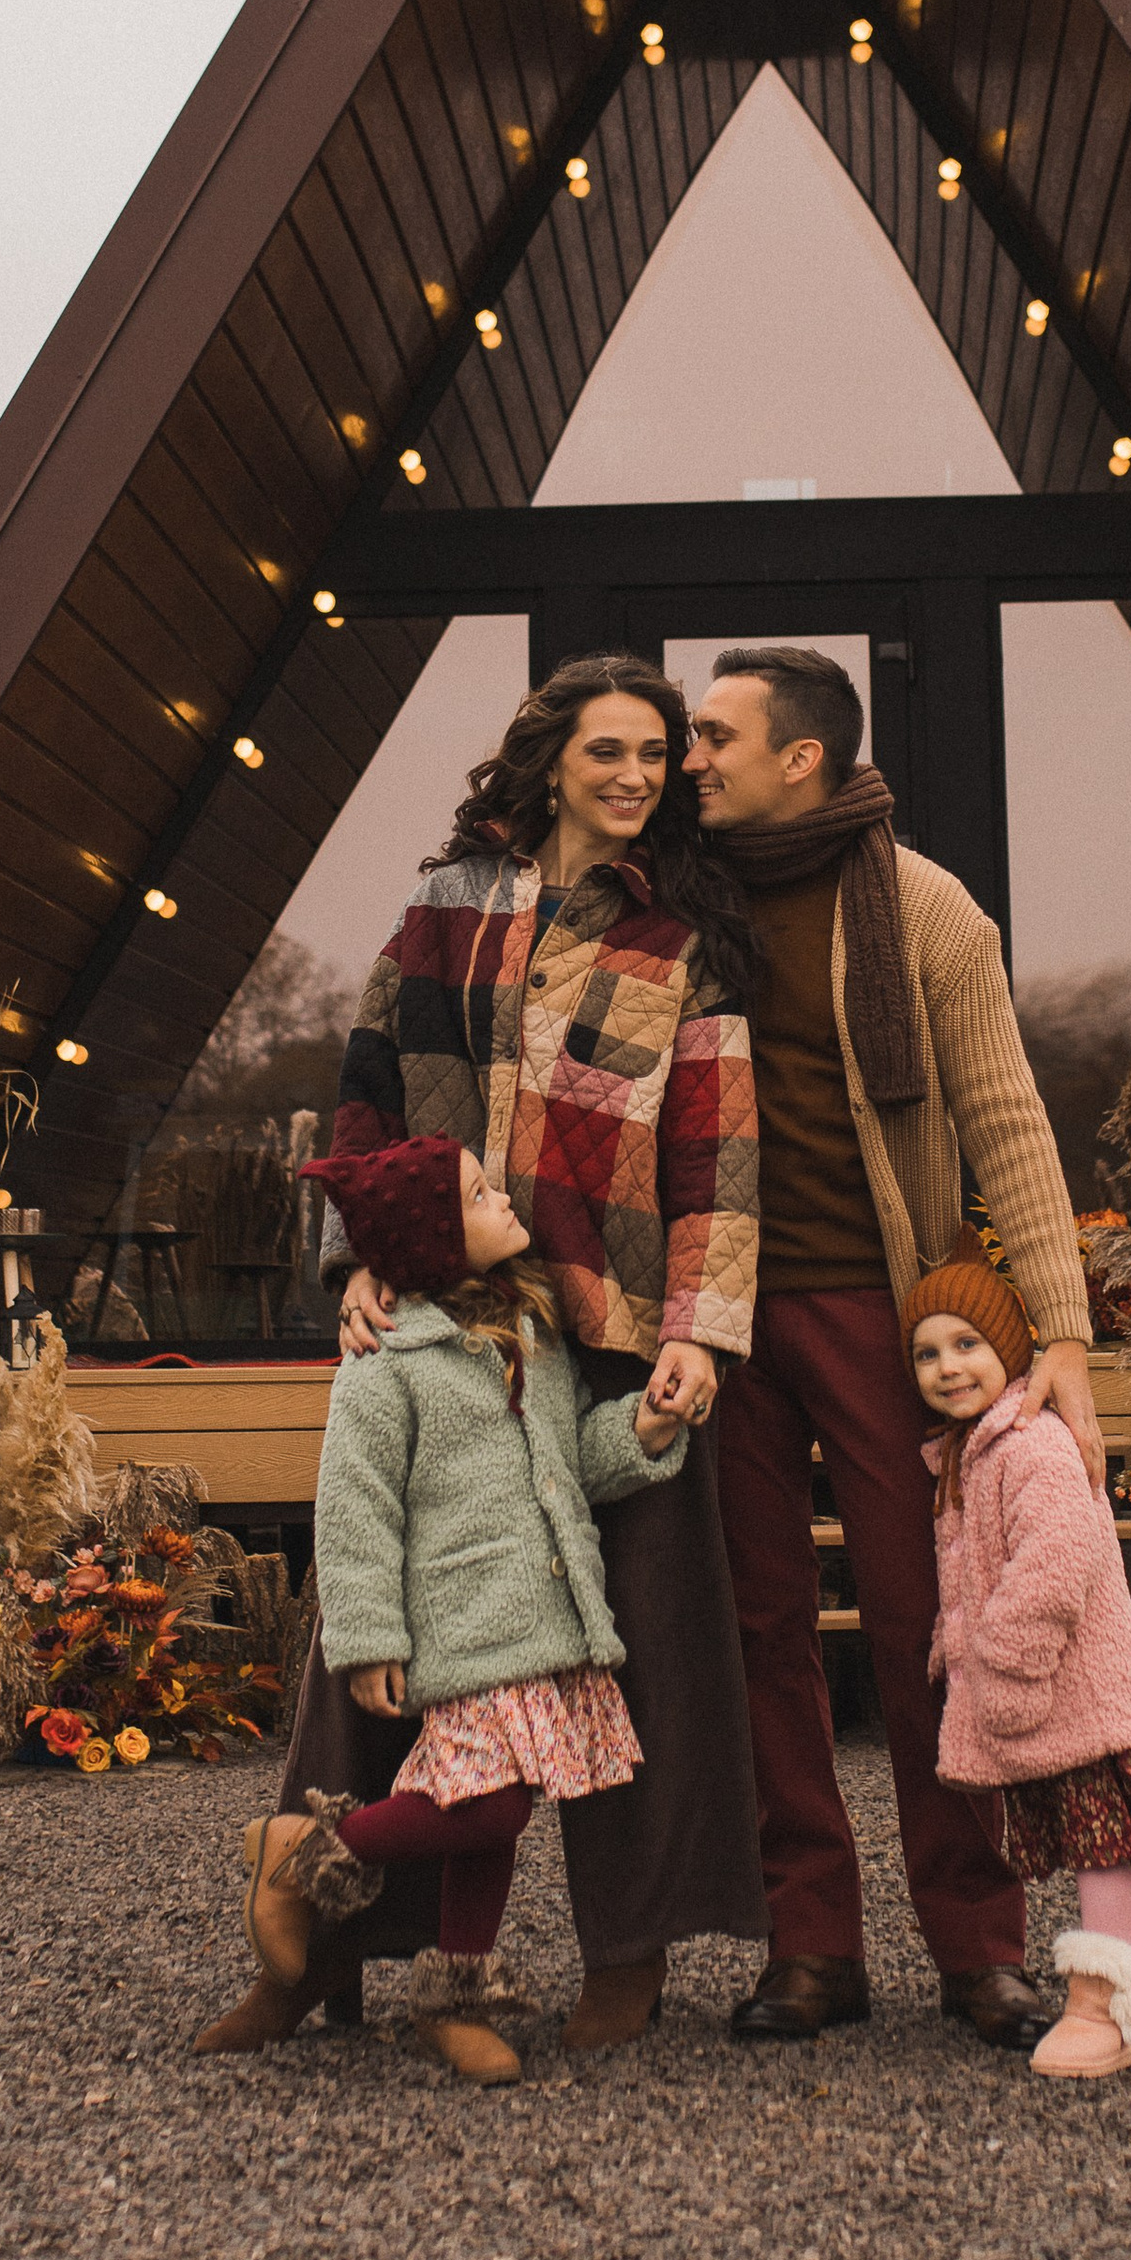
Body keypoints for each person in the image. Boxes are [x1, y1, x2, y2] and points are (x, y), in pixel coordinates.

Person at [195, 656, 765, 2062]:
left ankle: (626, 1957)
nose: (636, 777)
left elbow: (718, 1154)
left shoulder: (683, 937)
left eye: (656, 756)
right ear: (548, 760)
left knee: (639, 1667)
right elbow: (364, 1095)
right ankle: (317, 1952)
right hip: (444, 1324)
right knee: (371, 1642)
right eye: (608, 752)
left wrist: (700, 1332)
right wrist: (363, 1259)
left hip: (615, 1342)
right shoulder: (448, 910)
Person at [686, 644, 1105, 2052]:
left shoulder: (926, 911)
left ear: (799, 755)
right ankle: (812, 1946)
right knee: (764, 1640)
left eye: (715, 737)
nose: (692, 760)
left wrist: (1066, 1338)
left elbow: (1005, 1116)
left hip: (880, 1308)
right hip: (720, 1321)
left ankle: (978, 1946)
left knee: (936, 1628)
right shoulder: (677, 909)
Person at [231, 1132, 689, 2091]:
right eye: (481, 1195)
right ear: (437, 1242)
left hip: (547, 1620)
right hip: (464, 1620)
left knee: (497, 1819)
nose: (505, 1199)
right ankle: (306, 1851)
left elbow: (569, 1461)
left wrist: (640, 1432)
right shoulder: (386, 1360)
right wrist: (364, 1638)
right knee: (484, 1807)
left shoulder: (534, 1333)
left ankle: (457, 1998)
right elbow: (352, 1507)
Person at [905, 1254, 1131, 2080]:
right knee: (1082, 1835)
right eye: (927, 1353)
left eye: (967, 1344)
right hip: (1048, 1689)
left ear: (1012, 1349)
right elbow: (974, 1575)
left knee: (1101, 1844)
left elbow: (1058, 1560)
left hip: (1077, 1693)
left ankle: (1102, 2001)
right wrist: (956, 1645)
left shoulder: (1033, 1443)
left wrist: (1005, 1661)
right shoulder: (970, 1453)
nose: (948, 1367)